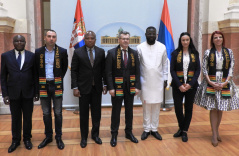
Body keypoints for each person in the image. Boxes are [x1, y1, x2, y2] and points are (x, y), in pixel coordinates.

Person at [194, 31, 239, 147]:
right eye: (215, 38)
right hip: (211, 81)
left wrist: (225, 82)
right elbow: (204, 68)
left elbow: (231, 68)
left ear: (223, 39)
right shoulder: (208, 52)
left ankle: (217, 130)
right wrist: (210, 82)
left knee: (220, 108)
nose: (218, 39)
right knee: (214, 108)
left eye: (220, 37)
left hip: (225, 81)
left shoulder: (229, 52)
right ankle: (214, 133)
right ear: (212, 40)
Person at [1, 35, 38, 153]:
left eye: (21, 40)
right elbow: (3, 77)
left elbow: (35, 75)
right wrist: (5, 94)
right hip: (13, 93)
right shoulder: (6, 56)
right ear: (13, 43)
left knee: (27, 118)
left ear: (25, 42)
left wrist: (36, 92)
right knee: (15, 118)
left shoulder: (32, 56)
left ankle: (27, 139)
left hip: (28, 92)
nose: (19, 42)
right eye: (16, 41)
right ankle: (15, 140)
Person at [71, 31, 107, 148]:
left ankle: (95, 135)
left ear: (95, 40)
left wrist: (105, 84)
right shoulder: (78, 52)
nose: (90, 40)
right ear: (84, 40)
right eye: (87, 38)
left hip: (97, 88)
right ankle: (84, 137)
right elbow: (74, 71)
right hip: (83, 89)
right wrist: (75, 87)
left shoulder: (101, 52)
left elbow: (103, 71)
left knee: (97, 114)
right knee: (84, 115)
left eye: (92, 38)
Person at [105, 31, 141, 147]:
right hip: (117, 88)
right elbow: (108, 73)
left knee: (129, 111)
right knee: (116, 111)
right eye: (123, 39)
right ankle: (114, 134)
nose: (126, 41)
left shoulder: (134, 53)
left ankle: (128, 132)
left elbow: (137, 72)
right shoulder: (111, 53)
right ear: (119, 40)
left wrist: (137, 86)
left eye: (127, 39)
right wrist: (110, 87)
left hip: (130, 88)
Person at [35, 30, 68, 150]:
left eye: (53, 36)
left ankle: (58, 137)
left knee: (58, 113)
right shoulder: (38, 52)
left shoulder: (62, 52)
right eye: (49, 36)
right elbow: (36, 70)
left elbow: (64, 68)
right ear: (44, 38)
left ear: (56, 38)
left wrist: (56, 79)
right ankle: (48, 136)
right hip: (43, 85)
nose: (51, 39)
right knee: (46, 113)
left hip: (57, 84)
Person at [137, 26, 168, 141]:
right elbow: (137, 66)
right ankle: (146, 129)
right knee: (146, 106)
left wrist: (165, 79)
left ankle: (154, 129)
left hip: (158, 81)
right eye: (149, 34)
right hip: (144, 81)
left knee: (156, 106)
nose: (151, 35)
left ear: (156, 35)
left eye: (153, 34)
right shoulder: (139, 47)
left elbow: (165, 64)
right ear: (145, 34)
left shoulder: (162, 47)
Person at [170, 32, 201, 142]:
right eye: (183, 40)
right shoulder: (175, 53)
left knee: (188, 108)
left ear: (190, 41)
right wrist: (179, 85)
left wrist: (190, 84)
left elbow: (198, 70)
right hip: (178, 86)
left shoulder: (195, 53)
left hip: (190, 86)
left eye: (187, 40)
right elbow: (172, 70)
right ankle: (181, 127)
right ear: (180, 41)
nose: (185, 42)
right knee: (178, 108)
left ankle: (184, 131)